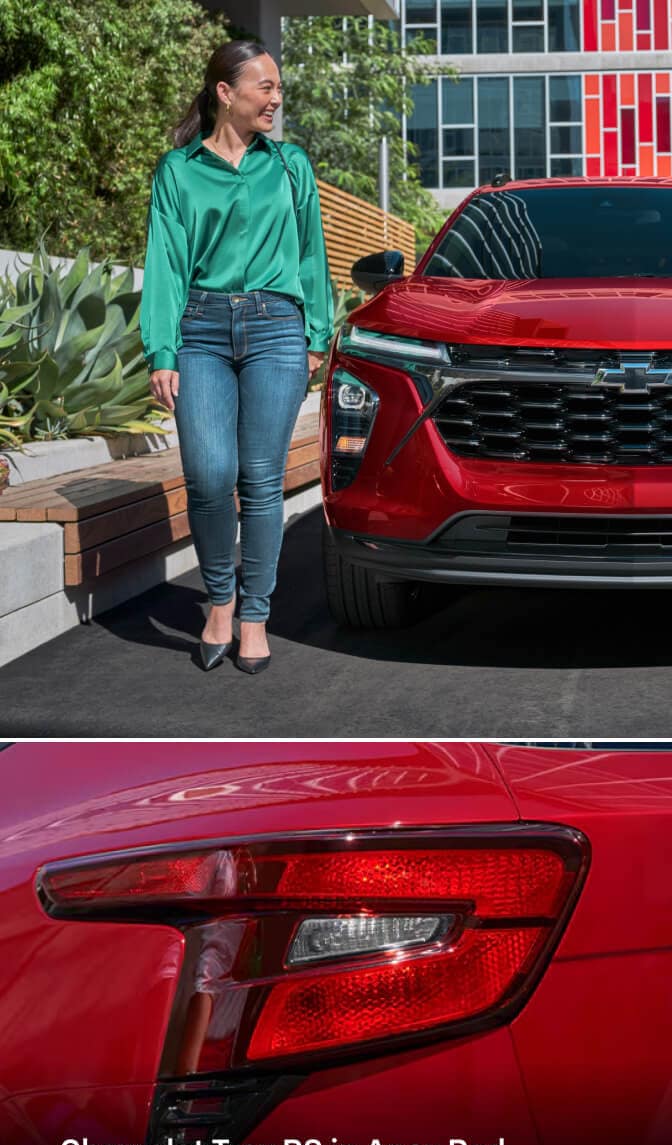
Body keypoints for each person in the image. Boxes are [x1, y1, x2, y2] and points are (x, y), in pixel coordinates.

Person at [143, 40, 333, 673]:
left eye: (278, 88)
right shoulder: (178, 170)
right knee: (207, 474)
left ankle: (254, 613)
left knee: (259, 477)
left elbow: (312, 253)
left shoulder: (290, 165)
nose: (276, 98)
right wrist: (162, 349)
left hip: (277, 330)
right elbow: (165, 264)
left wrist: (316, 335)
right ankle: (217, 600)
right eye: (266, 87)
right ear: (226, 92)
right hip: (199, 329)